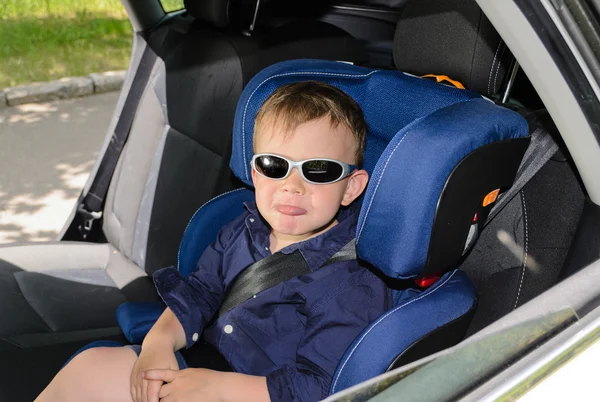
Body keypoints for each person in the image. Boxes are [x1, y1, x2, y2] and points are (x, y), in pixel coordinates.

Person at [35, 81, 391, 402]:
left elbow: (320, 388)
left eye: (318, 170)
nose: (291, 185)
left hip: (253, 393)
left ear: (351, 187)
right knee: (89, 369)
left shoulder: (352, 283)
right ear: (255, 173)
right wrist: (158, 342)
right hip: (204, 363)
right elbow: (199, 294)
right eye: (274, 165)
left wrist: (218, 389)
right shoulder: (241, 229)